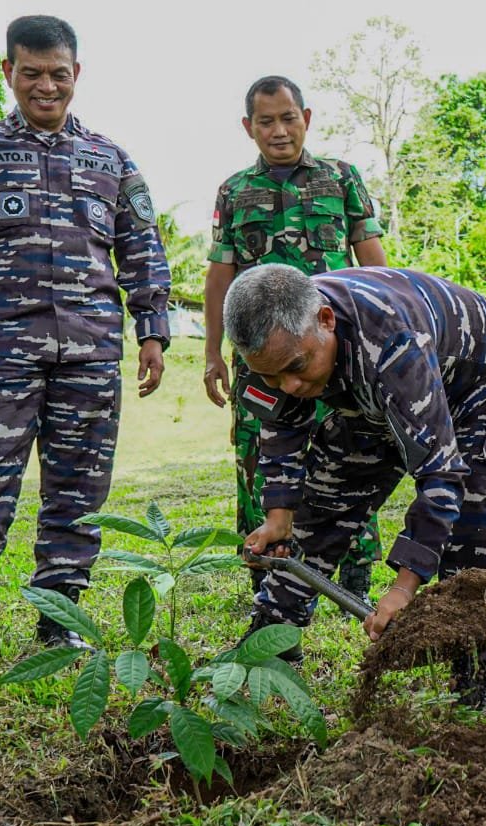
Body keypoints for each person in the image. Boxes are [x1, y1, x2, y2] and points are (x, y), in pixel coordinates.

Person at [0, 15, 170, 668]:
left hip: (91, 352)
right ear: (9, 72)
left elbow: (143, 248)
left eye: (58, 74)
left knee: (78, 492)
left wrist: (152, 331)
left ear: (76, 74)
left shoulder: (111, 158)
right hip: (1, 352)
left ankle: (60, 620)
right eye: (31, 74)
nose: (46, 87)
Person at [227, 265, 486, 710]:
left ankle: (475, 672)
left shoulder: (393, 343)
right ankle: (272, 635)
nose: (288, 385)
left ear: (325, 320)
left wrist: (403, 589)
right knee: (327, 498)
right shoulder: (266, 346)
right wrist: (279, 515)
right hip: (372, 391)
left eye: (296, 368)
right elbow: (280, 427)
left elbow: (442, 475)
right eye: (272, 377)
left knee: (474, 506)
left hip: (479, 379)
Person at [202, 76, 387, 620]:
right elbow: (220, 276)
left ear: (306, 118)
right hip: (260, 361)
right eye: (266, 121)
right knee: (258, 456)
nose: (279, 131)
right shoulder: (234, 191)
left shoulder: (341, 179)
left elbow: (373, 259)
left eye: (288, 118)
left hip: (331, 353)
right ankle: (268, 572)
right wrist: (212, 352)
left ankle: (354, 572)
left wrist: (378, 331)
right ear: (249, 127)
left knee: (352, 450)